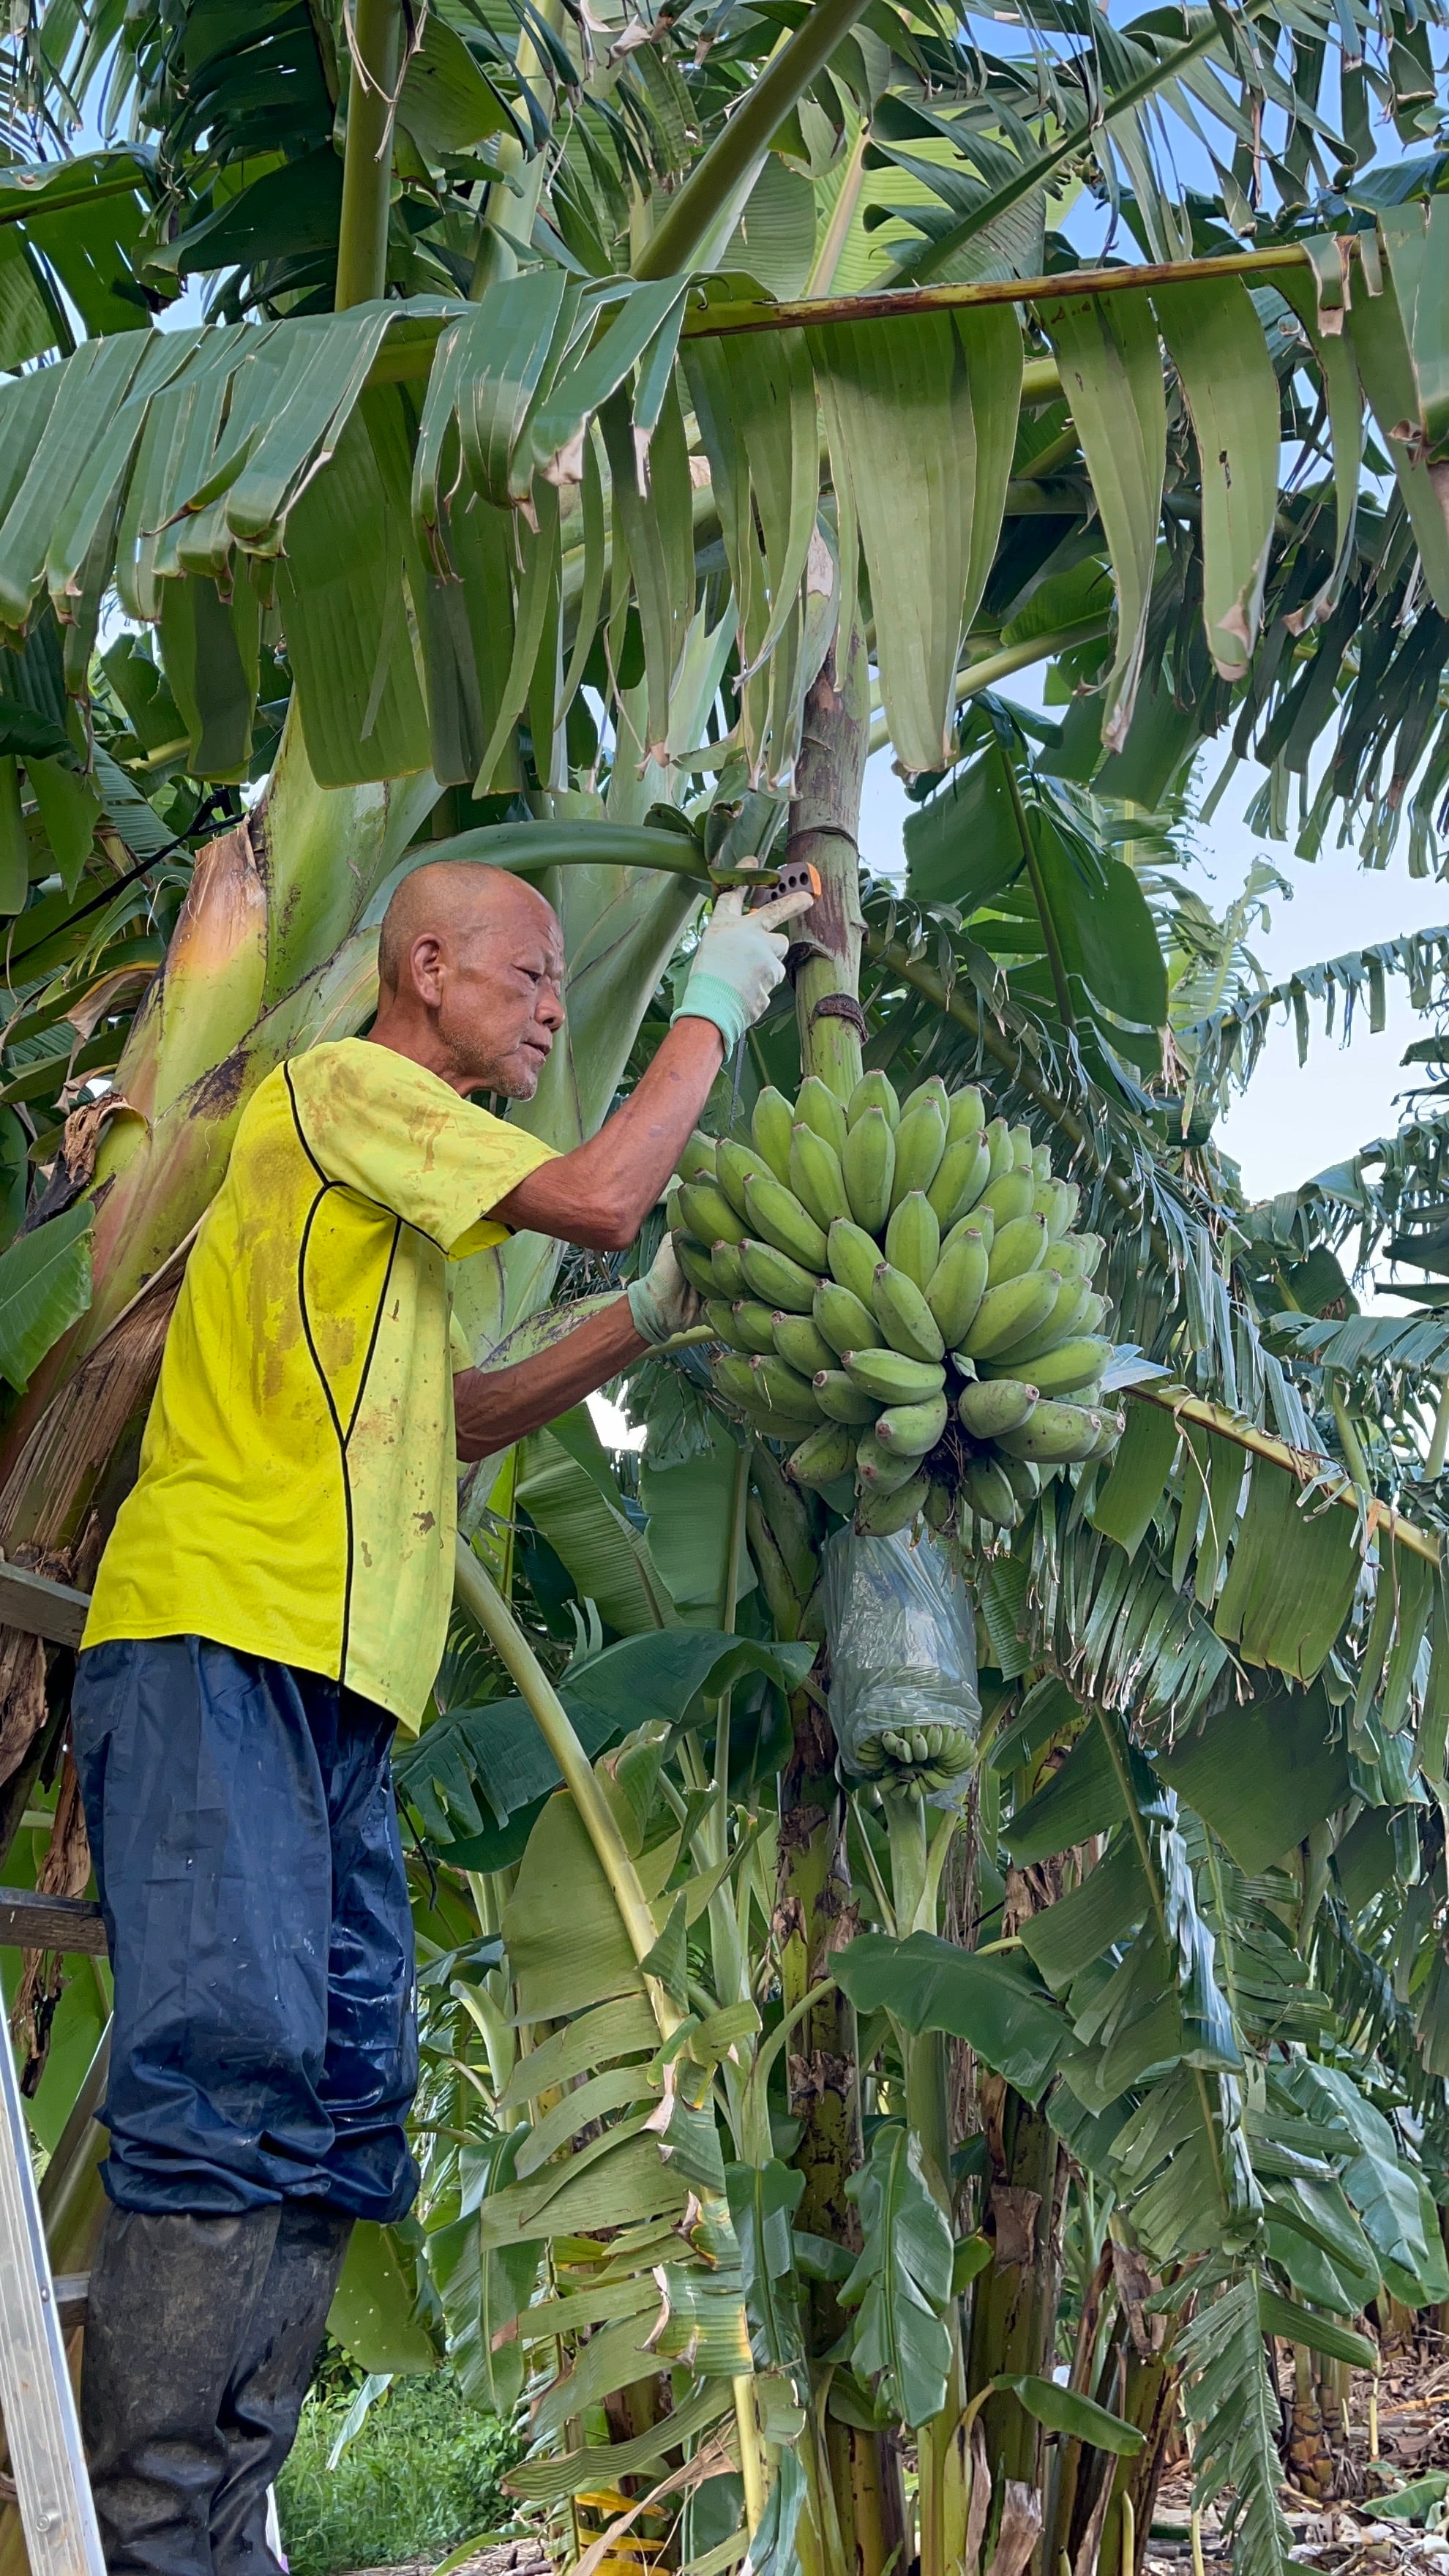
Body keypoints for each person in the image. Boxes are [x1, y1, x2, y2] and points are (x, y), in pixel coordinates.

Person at [69, 857, 811, 2576]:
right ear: (424, 968)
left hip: (340, 1699)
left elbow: (459, 1412)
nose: (557, 1003)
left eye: (569, 981)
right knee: (227, 2067)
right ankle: (149, 2531)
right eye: (531, 972)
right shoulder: (344, 1087)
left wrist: (646, 1320)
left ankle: (226, 2512)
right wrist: (712, 995)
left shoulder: (401, 1198)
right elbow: (607, 1193)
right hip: (213, 1642)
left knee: (343, 2093)